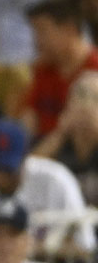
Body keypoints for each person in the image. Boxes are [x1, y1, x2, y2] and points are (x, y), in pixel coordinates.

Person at [0, 118, 93, 250]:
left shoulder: (56, 180)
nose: (0, 177)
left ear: (25, 159)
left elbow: (85, 246)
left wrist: (38, 249)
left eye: (8, 169)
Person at [22, 0, 98, 140]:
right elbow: (30, 117)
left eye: (42, 31)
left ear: (69, 30)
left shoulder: (94, 70)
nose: (36, 41)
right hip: (41, 148)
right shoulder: (43, 69)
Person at [44, 71, 98, 206]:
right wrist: (60, 133)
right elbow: (31, 173)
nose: (86, 108)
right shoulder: (58, 143)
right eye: (78, 100)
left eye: (95, 101)